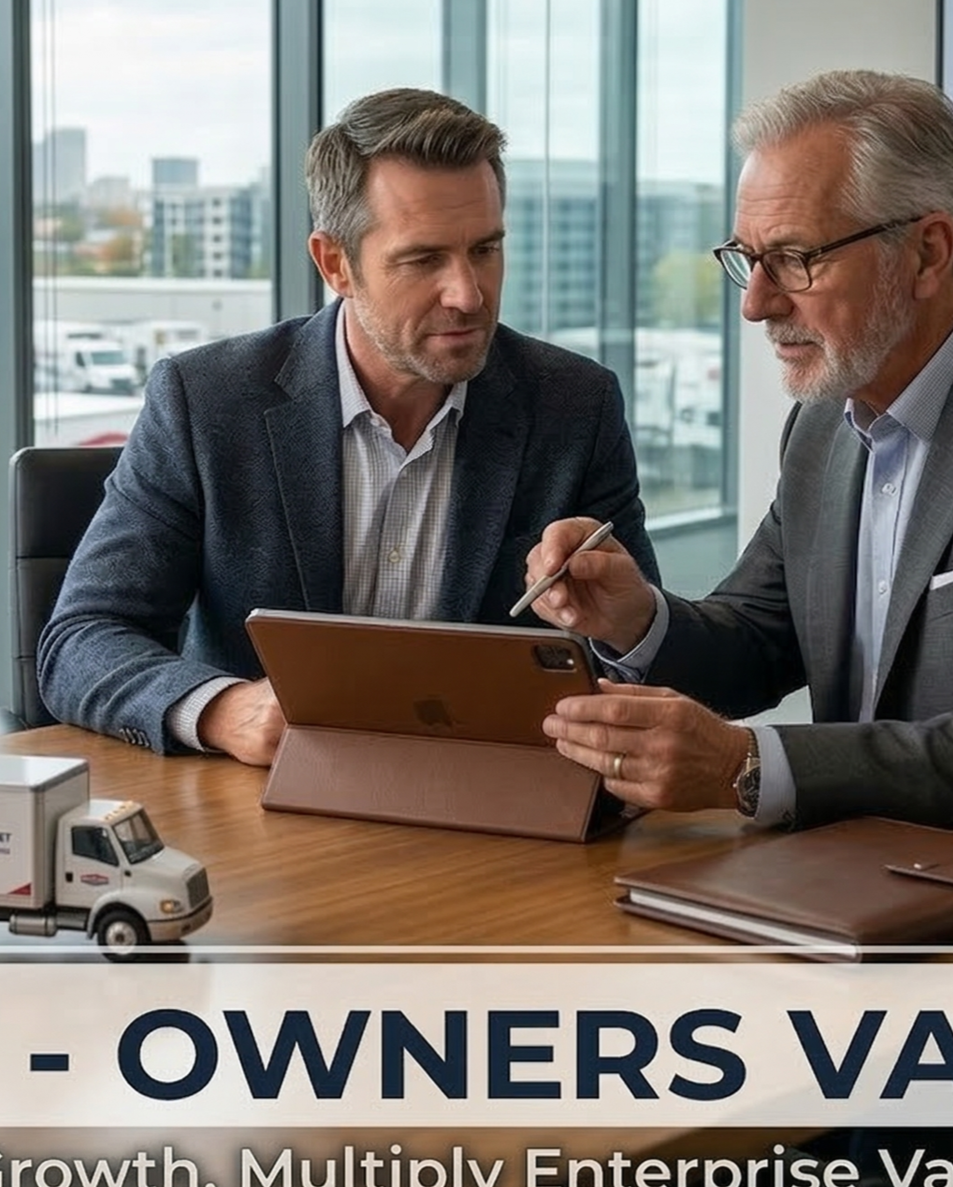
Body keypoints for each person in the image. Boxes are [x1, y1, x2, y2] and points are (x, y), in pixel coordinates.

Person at [528, 69, 953, 856]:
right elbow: (761, 639)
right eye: (747, 259)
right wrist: (634, 618)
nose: (755, 304)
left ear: (929, 252)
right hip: (878, 870)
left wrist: (747, 765)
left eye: (795, 259)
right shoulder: (824, 422)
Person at [39, 87, 658, 764]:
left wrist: (623, 634)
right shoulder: (207, 401)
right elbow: (82, 639)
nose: (469, 294)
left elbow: (634, 661)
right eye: (424, 260)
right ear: (335, 263)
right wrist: (224, 710)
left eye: (485, 249)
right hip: (264, 810)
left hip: (484, 803)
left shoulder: (574, 406)